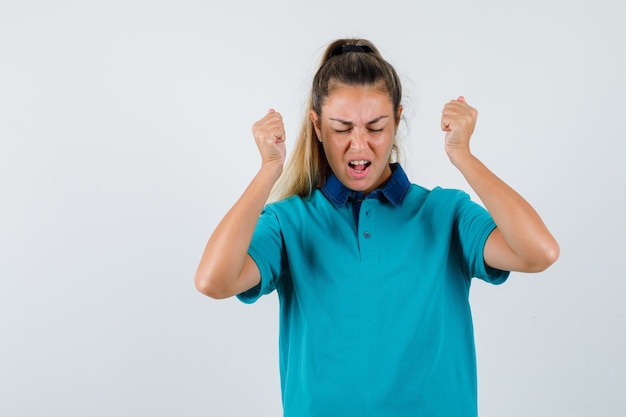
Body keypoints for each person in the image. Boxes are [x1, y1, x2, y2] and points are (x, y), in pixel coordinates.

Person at [194, 38, 559, 417]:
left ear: (397, 120)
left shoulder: (444, 212)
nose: (359, 144)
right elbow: (213, 281)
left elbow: (538, 252)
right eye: (342, 128)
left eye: (375, 127)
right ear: (317, 126)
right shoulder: (289, 222)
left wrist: (462, 156)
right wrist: (269, 169)